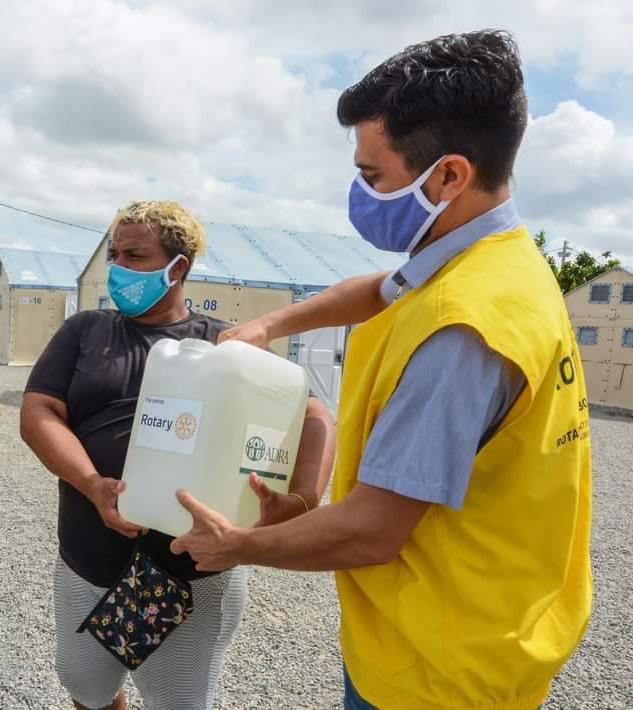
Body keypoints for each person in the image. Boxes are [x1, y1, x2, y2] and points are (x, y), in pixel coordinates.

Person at [171, 31, 592, 709]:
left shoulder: (462, 329)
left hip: (433, 671)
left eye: (373, 176)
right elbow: (379, 288)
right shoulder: (500, 262)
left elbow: (371, 529)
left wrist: (238, 543)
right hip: (496, 625)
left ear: (449, 176)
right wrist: (268, 326)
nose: (361, 193)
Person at [20, 201, 335, 710]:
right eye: (114, 255)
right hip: (88, 559)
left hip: (190, 575)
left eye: (134, 256)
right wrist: (92, 484)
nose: (118, 268)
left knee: (179, 702)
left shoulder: (224, 345)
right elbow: (39, 412)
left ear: (177, 267)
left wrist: (302, 499)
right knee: (86, 688)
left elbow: (314, 414)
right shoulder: (85, 332)